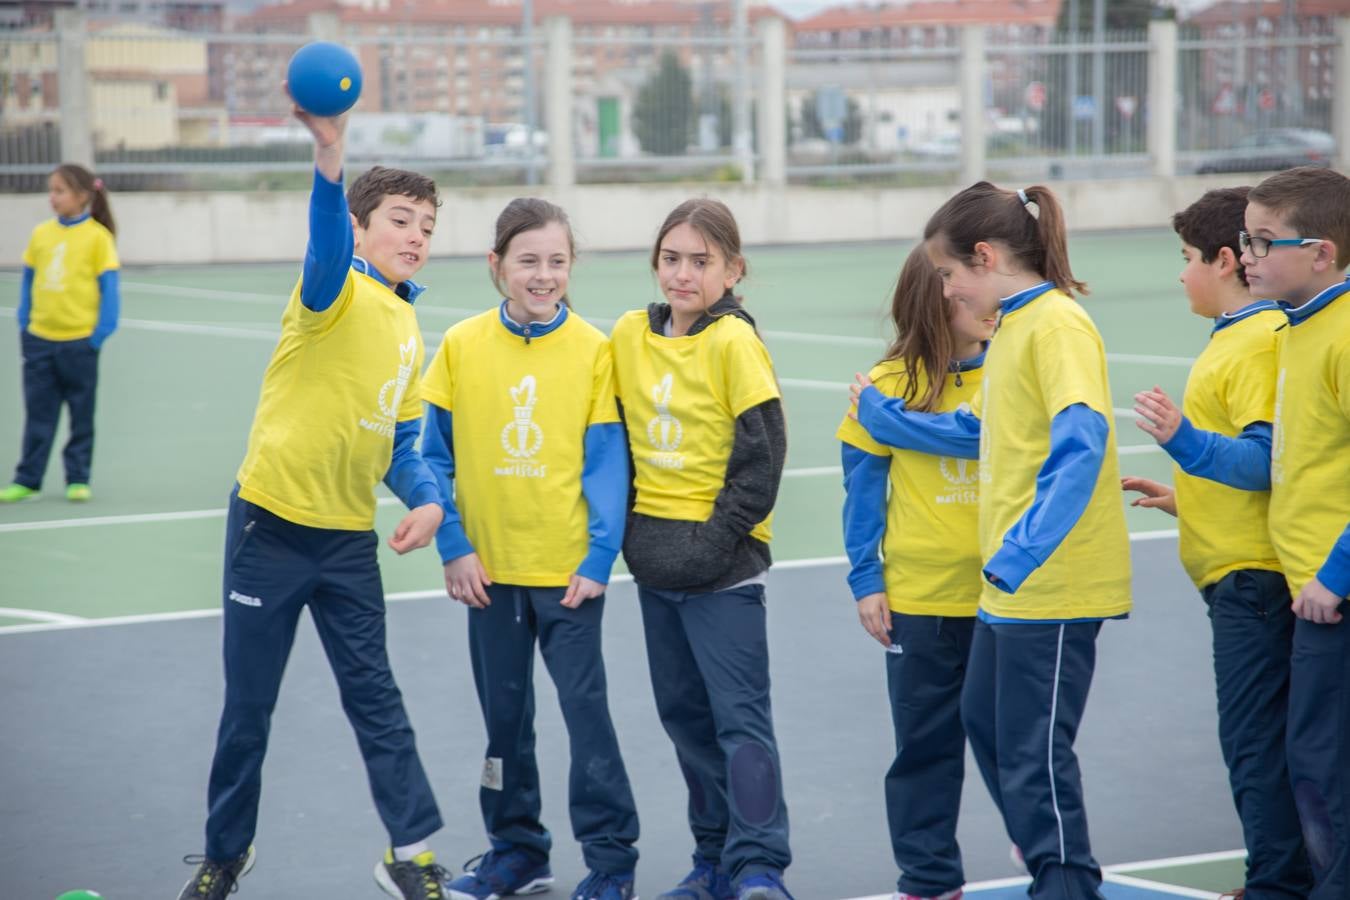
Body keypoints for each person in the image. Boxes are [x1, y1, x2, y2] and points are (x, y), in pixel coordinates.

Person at [177, 93, 450, 900]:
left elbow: (402, 440)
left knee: (378, 702)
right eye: (402, 220)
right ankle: (225, 854)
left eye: (429, 228)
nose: (417, 237)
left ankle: (411, 853)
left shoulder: (408, 326)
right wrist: (330, 156)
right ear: (365, 228)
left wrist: (427, 499)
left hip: (343, 543)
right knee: (248, 709)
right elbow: (324, 237)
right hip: (268, 527)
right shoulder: (331, 293)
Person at [849, 182, 1131, 899]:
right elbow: (981, 433)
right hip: (1004, 592)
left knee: (1031, 754)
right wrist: (887, 422)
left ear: (983, 256)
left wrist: (1020, 552)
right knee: (983, 726)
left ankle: (1063, 880)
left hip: (1044, 582)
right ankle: (1018, 865)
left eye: (947, 275)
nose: (943, 291)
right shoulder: (1018, 329)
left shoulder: (1054, 326)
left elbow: (1082, 440)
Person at [1134, 166, 1350, 899]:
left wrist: (1183, 443)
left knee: (1290, 753)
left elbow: (1264, 463)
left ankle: (1280, 884)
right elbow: (1295, 462)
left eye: (1262, 241)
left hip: (1294, 583)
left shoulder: (1296, 334)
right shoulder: (1286, 332)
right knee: (1294, 751)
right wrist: (1186, 498)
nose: (1249, 255)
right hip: (1288, 579)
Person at [420, 197, 640, 900]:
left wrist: (599, 557)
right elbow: (432, 458)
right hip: (488, 576)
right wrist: (453, 544)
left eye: (556, 262)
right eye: (527, 261)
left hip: (568, 575)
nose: (542, 276)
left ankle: (610, 861)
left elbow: (608, 462)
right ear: (497, 266)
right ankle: (516, 849)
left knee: (587, 720)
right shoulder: (459, 345)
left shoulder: (596, 351)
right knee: (503, 726)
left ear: (570, 268)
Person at [609, 198, 793, 900]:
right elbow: (612, 444)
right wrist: (636, 538)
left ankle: (759, 867)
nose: (683, 274)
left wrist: (711, 547)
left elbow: (763, 461)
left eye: (701, 261)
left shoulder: (734, 344)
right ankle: (713, 860)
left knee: (739, 724)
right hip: (656, 570)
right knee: (687, 724)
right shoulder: (629, 334)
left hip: (722, 577)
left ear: (732, 270)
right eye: (671, 258)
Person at [837, 245, 995, 900]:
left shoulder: (1014, 372)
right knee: (923, 752)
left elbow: (987, 438)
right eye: (971, 291)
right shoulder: (885, 382)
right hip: (920, 600)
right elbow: (861, 492)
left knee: (1012, 747)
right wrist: (866, 580)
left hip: (1006, 600)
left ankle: (1045, 856)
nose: (990, 303)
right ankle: (929, 882)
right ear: (937, 301)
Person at [3, 163, 120, 504]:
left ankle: (78, 478)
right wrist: (25, 322)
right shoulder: (41, 234)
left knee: (81, 414)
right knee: (39, 413)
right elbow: (28, 280)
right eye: (51, 190)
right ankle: (28, 479)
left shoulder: (99, 238)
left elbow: (109, 290)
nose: (52, 197)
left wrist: (99, 335)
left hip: (79, 343)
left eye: (59, 191)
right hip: (39, 340)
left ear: (82, 196)